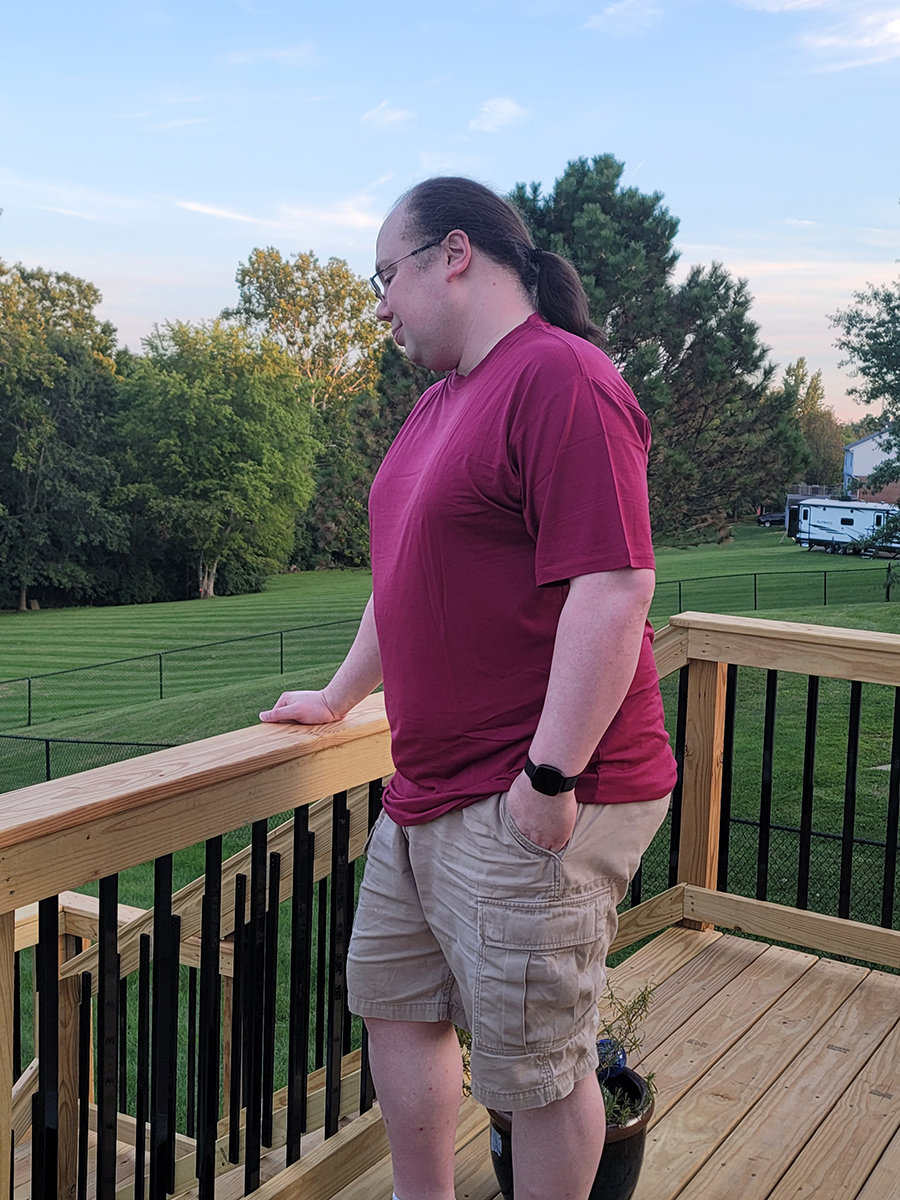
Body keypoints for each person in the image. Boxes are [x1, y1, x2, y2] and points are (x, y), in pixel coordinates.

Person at [260, 177, 678, 1200]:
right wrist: (341, 696)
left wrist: (548, 773)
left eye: (384, 277)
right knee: (397, 1005)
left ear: (455, 255)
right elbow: (401, 579)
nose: (380, 305)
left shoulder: (562, 380)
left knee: (533, 1072)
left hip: (532, 794)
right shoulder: (441, 405)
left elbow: (615, 585)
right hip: (430, 784)